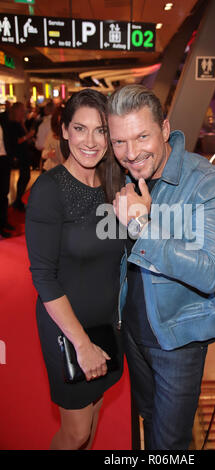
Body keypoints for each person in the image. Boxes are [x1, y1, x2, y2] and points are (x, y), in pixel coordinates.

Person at [108, 84, 215, 450]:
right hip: (134, 331)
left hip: (177, 342)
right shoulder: (134, 175)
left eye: (142, 137)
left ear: (165, 130)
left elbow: (212, 271)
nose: (131, 153)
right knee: (149, 421)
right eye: (119, 142)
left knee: (170, 445)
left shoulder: (209, 185)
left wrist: (140, 226)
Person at [25, 89, 126, 450]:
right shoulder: (49, 191)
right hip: (68, 328)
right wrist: (81, 344)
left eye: (100, 130)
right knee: (77, 431)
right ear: (64, 131)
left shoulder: (114, 185)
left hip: (106, 324)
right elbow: (43, 277)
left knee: (95, 412)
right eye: (80, 129)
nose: (91, 141)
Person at [9, 102, 35, 212]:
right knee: (25, 176)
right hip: (20, 154)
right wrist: (27, 136)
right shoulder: (13, 124)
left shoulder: (19, 122)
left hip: (24, 153)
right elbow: (16, 141)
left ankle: (18, 200)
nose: (24, 112)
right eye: (22, 110)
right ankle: (18, 201)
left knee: (25, 176)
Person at [41, 105, 65, 171]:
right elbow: (44, 154)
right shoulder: (51, 134)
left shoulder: (71, 134)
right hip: (51, 169)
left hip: (65, 170)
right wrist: (49, 153)